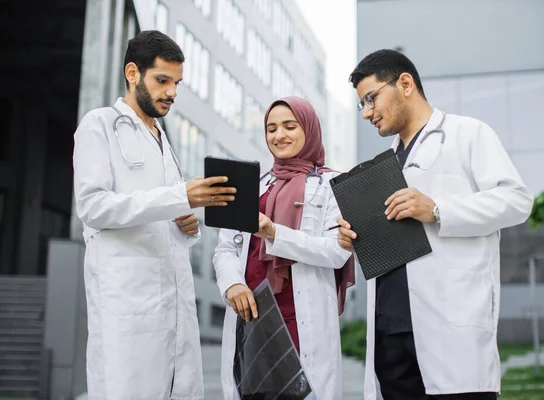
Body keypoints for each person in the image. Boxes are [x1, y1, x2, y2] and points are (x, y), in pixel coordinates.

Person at [337, 49, 534, 400]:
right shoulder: (384, 165)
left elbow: (516, 201)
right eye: (361, 105)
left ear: (405, 84)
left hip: (450, 332)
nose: (367, 113)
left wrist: (438, 210)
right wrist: (355, 236)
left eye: (371, 98)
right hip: (390, 334)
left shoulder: (467, 133)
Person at [72, 30, 236, 399]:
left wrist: (187, 224)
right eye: (162, 80)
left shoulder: (164, 139)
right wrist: (179, 196)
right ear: (133, 73)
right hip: (128, 306)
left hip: (175, 308)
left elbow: (165, 210)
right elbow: (93, 206)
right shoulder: (99, 125)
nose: (171, 93)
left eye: (176, 83)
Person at [213, 96, 355, 400]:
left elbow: (337, 251)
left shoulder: (333, 184)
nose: (279, 136)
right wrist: (232, 284)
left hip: (299, 318)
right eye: (271, 128)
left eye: (290, 126)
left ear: (309, 130)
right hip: (251, 315)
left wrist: (275, 233)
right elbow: (226, 248)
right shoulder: (252, 185)